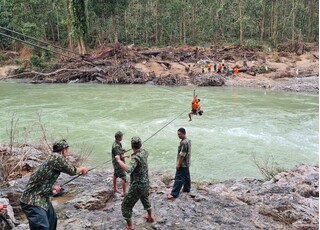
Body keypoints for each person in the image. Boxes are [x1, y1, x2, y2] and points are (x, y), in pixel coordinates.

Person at [20, 139, 88, 230]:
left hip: (42, 198)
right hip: (31, 200)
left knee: (52, 220)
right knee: (43, 227)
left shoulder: (51, 158)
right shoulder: (56, 157)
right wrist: (82, 169)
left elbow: (41, 180)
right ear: (64, 150)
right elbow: (72, 171)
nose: (67, 152)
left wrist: (52, 188)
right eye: (67, 150)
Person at [115, 136, 154, 230]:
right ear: (140, 145)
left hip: (137, 185)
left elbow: (129, 169)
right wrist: (127, 154)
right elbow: (139, 154)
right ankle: (150, 217)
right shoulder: (144, 152)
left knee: (125, 205)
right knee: (145, 198)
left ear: (132, 145)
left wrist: (119, 160)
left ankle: (130, 226)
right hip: (145, 183)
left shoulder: (135, 158)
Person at [167, 128, 191, 199]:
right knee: (186, 176)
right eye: (178, 134)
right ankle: (187, 189)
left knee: (178, 178)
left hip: (183, 163)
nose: (178, 136)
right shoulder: (188, 140)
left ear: (184, 133)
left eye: (179, 134)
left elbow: (182, 154)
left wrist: (178, 163)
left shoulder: (184, 142)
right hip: (187, 162)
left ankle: (174, 194)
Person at [112, 131, 129, 196]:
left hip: (116, 163)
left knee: (115, 175)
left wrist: (122, 150)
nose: (122, 137)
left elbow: (119, 151)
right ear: (118, 137)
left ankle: (115, 189)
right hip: (118, 163)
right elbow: (119, 156)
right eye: (121, 136)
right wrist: (126, 156)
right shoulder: (115, 146)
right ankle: (124, 193)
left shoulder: (118, 143)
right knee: (124, 177)